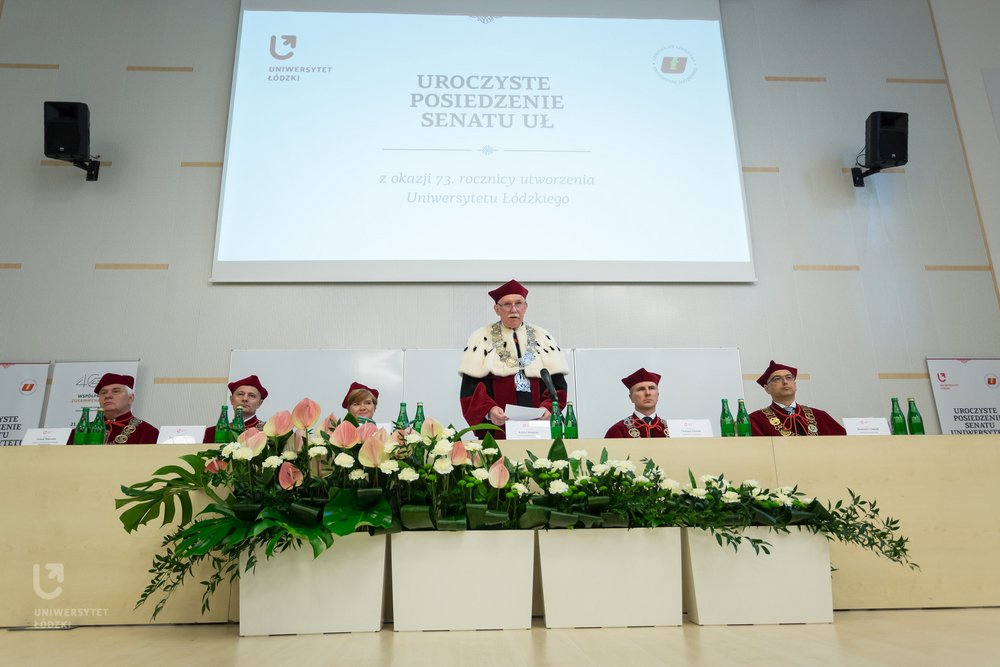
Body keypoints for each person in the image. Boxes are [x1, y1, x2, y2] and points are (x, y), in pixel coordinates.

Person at [459, 279, 569, 439]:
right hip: (499, 428)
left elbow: (557, 386)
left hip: (539, 429)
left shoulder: (543, 337)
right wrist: (489, 410)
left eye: (518, 303)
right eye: (507, 304)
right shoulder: (481, 338)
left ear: (525, 307)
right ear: (497, 309)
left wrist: (548, 408)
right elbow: (470, 390)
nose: (514, 309)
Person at [749, 360, 847, 436]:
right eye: (777, 379)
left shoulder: (819, 416)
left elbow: (846, 442)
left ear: (795, 384)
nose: (785, 382)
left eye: (789, 377)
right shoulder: (756, 420)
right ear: (767, 389)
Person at [68, 373, 159, 445]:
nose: (107, 396)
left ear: (130, 398)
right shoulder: (81, 431)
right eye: (103, 392)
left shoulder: (147, 431)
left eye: (116, 391)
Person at [604, 368, 669, 438]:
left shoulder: (671, 429)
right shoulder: (618, 431)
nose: (648, 393)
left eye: (651, 388)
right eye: (641, 389)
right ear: (631, 397)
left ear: (658, 395)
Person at [203, 374, 268, 443]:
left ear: (259, 403)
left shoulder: (267, 431)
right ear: (231, 399)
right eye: (240, 394)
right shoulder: (212, 432)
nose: (245, 399)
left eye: (251, 396)